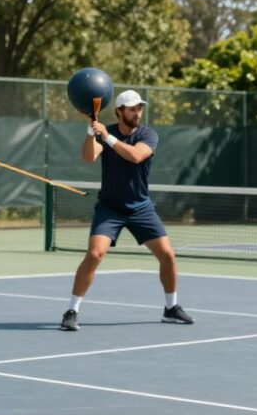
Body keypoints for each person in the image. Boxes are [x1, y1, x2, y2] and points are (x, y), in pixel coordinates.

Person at [59, 90, 194, 331]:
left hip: (141, 208)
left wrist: (107, 137)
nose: (137, 113)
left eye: (139, 108)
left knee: (168, 255)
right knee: (95, 255)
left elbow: (135, 156)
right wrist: (92, 131)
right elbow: (89, 157)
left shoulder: (148, 135)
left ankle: (171, 308)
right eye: (132, 109)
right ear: (119, 111)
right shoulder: (105, 131)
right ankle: (71, 311)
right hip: (110, 208)